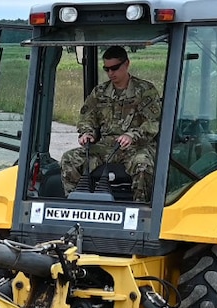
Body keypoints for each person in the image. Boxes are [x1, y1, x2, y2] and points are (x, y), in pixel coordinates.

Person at [57, 46, 160, 201]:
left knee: (143, 165)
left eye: (115, 68)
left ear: (126, 64)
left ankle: (141, 208)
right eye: (107, 69)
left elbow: (153, 122)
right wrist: (87, 133)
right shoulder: (99, 92)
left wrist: (132, 135)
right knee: (69, 159)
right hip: (105, 147)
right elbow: (87, 117)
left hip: (136, 147)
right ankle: (75, 203)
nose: (111, 73)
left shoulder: (145, 90)